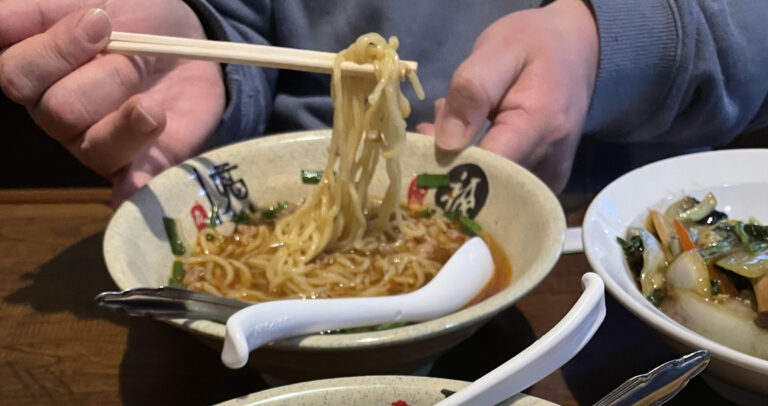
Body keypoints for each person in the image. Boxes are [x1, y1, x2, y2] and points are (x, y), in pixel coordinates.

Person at [1, 0, 767, 205]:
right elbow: (243, 27)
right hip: (290, 207)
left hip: (595, 232)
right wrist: (206, 49)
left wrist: (609, 43)